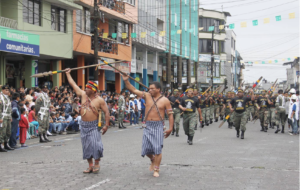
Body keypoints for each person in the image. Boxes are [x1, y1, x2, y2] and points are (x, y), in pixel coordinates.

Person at [121, 74, 174, 178]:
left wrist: (171, 128)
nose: (150, 90)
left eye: (152, 89)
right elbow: (133, 89)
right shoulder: (146, 95)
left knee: (158, 149)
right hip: (147, 125)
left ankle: (156, 169)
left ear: (158, 89)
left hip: (158, 126)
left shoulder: (165, 100)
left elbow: (171, 115)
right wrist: (126, 81)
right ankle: (152, 159)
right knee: (145, 150)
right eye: (149, 88)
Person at [65, 69, 110, 174]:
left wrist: (106, 125)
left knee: (96, 145)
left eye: (87, 88)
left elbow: (106, 113)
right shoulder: (83, 95)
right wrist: (67, 74)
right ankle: (90, 165)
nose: (85, 89)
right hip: (83, 125)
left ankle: (97, 163)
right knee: (86, 146)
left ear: (93, 90)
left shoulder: (100, 100)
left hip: (94, 126)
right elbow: (73, 84)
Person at [0, 85, 14, 152]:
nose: (7, 91)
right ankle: (0, 145)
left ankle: (6, 144)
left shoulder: (7, 98)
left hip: (8, 116)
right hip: (3, 117)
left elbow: (9, 108)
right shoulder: (1, 97)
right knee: (2, 132)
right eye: (5, 90)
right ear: (2, 90)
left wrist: (10, 116)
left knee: (8, 131)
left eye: (8, 90)